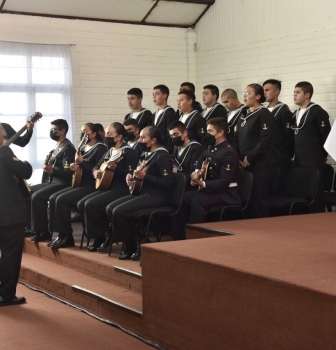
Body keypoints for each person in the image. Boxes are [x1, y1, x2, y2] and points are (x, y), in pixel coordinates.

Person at [106, 126, 174, 260]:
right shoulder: (146, 153)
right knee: (110, 208)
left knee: (119, 211)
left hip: (158, 196)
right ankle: (136, 239)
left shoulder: (162, 156)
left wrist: (145, 177)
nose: (140, 141)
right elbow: (137, 172)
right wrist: (130, 177)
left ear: (153, 140)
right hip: (142, 192)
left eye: (143, 138)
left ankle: (132, 242)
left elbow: (167, 183)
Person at [77, 122, 139, 252]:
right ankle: (102, 232)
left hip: (121, 189)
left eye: (110, 134)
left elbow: (132, 175)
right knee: (82, 203)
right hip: (106, 186)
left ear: (119, 137)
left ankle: (103, 236)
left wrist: (117, 169)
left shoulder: (128, 152)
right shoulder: (110, 151)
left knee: (91, 204)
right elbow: (97, 165)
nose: (107, 136)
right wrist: (96, 172)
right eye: (106, 134)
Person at [176, 118, 241, 239]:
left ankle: (195, 237)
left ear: (221, 133)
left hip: (226, 194)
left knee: (197, 200)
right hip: (212, 189)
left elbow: (225, 182)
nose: (207, 134)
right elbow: (202, 157)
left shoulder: (229, 152)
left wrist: (203, 183)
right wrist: (196, 172)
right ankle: (180, 235)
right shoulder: (212, 146)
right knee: (184, 198)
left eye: (210, 131)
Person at [48, 123, 107, 248]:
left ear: (94, 134)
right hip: (80, 183)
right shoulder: (83, 148)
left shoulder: (100, 148)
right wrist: (73, 167)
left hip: (91, 185)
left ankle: (68, 236)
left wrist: (82, 163)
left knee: (62, 199)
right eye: (81, 131)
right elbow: (79, 168)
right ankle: (61, 234)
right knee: (54, 197)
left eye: (85, 131)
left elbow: (97, 170)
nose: (82, 134)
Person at [0, 122, 32, 306]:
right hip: (9, 211)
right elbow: (24, 171)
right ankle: (7, 295)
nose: (4, 133)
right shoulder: (4, 151)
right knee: (11, 254)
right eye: (1, 130)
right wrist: (26, 163)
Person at [28, 119, 76, 242]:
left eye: (54, 130)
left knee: (38, 196)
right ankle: (34, 228)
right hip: (52, 182)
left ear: (62, 131)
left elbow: (68, 173)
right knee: (28, 191)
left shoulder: (68, 149)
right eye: (51, 130)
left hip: (63, 183)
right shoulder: (56, 147)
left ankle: (44, 231)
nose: (51, 132)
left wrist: (52, 171)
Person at [233, 84, 275, 218]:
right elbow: (236, 138)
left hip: (260, 164)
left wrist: (249, 158)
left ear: (258, 96)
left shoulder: (264, 114)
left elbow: (265, 140)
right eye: (243, 93)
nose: (244, 96)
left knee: (258, 200)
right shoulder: (244, 114)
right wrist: (239, 158)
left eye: (248, 93)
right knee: (247, 199)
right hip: (244, 164)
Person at [292, 81, 331, 212]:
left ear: (307, 95)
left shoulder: (317, 112)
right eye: (294, 92)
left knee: (315, 187)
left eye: (298, 92)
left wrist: (324, 154)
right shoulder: (295, 113)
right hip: (299, 156)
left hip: (313, 156)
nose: (294, 95)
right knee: (301, 186)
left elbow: (326, 134)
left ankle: (317, 215)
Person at [263, 79, 294, 194]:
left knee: (279, 188)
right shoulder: (263, 110)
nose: (264, 93)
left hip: (279, 156)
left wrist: (289, 154)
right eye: (263, 90)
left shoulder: (283, 110)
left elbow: (289, 136)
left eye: (267, 90)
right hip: (267, 156)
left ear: (276, 92)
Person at [168, 120, 203, 191]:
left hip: (188, 185)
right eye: (171, 136)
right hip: (177, 181)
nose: (174, 138)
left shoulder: (196, 148)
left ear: (185, 133)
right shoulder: (177, 148)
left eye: (176, 135)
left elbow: (193, 173)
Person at [151, 84, 178, 153]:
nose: (154, 97)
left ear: (165, 96)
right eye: (153, 94)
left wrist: (167, 151)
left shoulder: (170, 113)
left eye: (157, 94)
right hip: (155, 148)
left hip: (165, 149)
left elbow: (171, 135)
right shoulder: (154, 114)